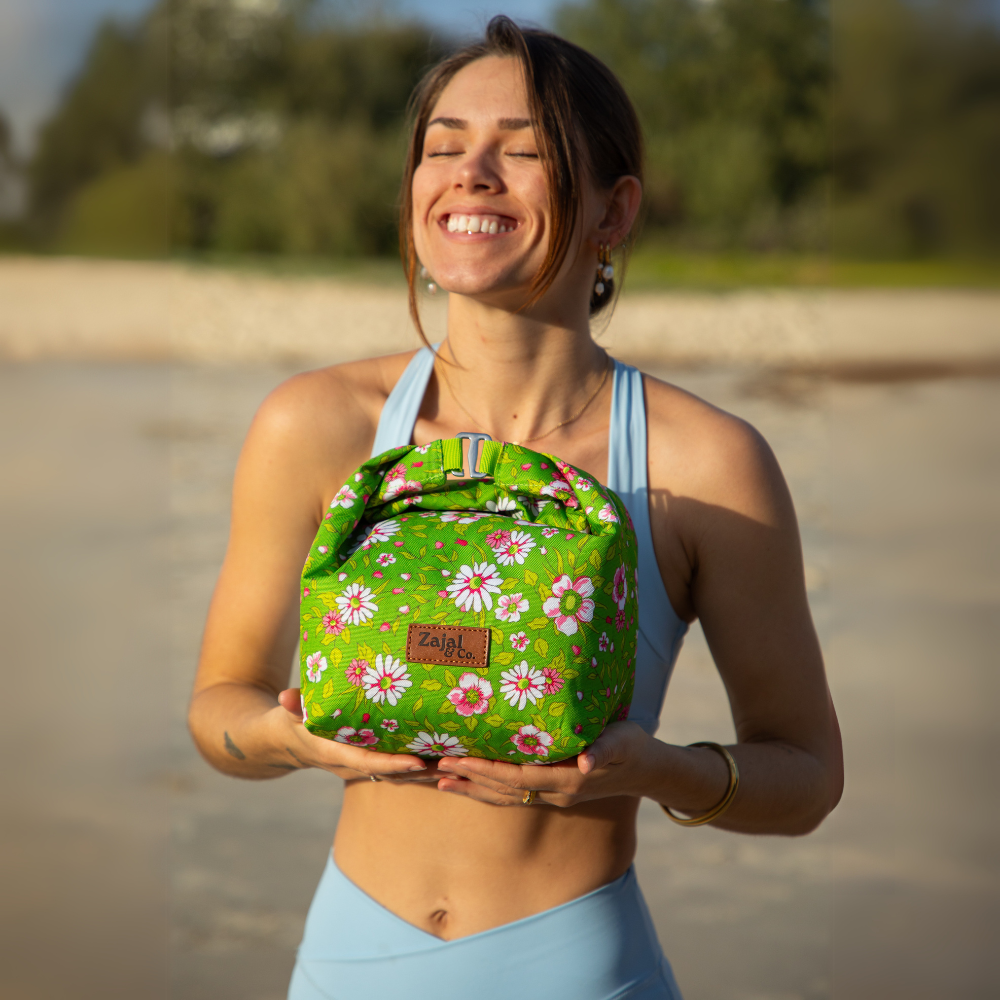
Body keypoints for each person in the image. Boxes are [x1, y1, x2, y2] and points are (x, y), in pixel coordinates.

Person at [189, 17, 843, 1000]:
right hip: (348, 962)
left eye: (524, 150)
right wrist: (291, 740)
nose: (472, 173)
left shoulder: (707, 463)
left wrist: (652, 770)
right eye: (443, 147)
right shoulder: (315, 425)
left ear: (611, 213)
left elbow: (805, 778)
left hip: (578, 967)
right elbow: (219, 707)